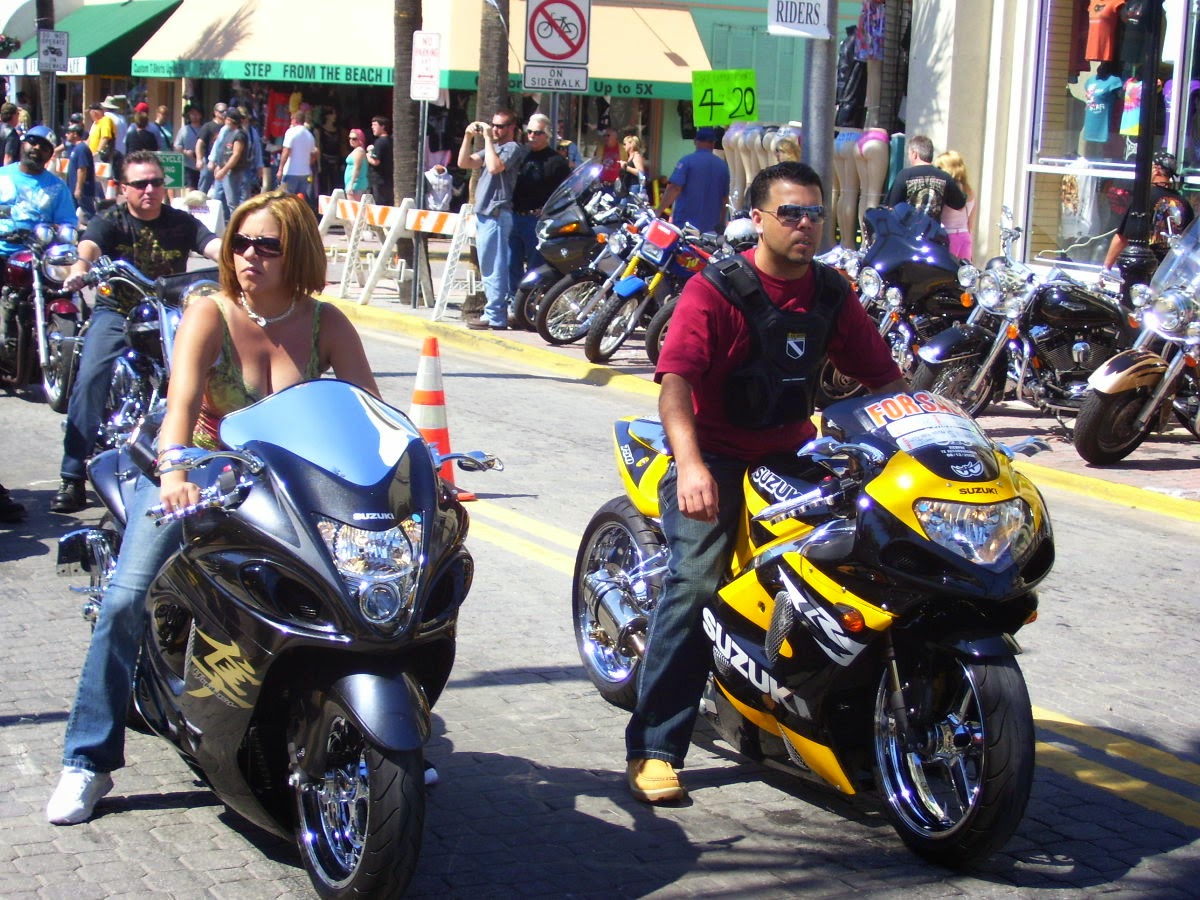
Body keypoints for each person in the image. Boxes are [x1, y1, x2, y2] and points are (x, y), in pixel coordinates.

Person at [46, 190, 379, 825]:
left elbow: (370, 413)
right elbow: (180, 408)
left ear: (297, 252)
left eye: (267, 246)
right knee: (124, 600)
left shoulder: (324, 323)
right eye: (240, 243)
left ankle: (381, 741)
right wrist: (174, 471)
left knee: (356, 592)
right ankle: (86, 760)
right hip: (202, 469)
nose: (249, 255)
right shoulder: (210, 312)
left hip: (290, 481)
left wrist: (413, 469)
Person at [624, 161, 906, 804]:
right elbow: (676, 388)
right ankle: (655, 747)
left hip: (793, 451)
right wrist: (691, 466)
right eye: (791, 213)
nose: (806, 225)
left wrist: (920, 435)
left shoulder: (831, 293)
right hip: (714, 453)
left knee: (866, 546)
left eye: (815, 213)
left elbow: (886, 382)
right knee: (695, 577)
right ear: (759, 219)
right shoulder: (715, 290)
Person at [50, 151, 223, 514]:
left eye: (156, 183)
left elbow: (212, 245)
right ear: (123, 188)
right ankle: (71, 476)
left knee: (215, 373)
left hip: (171, 312)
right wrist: (81, 267)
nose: (149, 190)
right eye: (141, 184)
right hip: (117, 310)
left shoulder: (180, 222)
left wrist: (242, 259)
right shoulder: (111, 220)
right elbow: (90, 245)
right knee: (91, 376)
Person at [457, 108, 526, 330]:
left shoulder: (512, 148)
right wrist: (468, 137)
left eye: (500, 126)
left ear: (511, 128)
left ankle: (496, 316)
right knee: (488, 265)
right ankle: (493, 312)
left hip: (497, 214)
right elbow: (465, 163)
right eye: (493, 125)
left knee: (495, 267)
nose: (495, 130)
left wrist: (486, 138)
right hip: (484, 213)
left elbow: (495, 168)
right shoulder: (492, 148)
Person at [508, 113, 571, 298]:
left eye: (537, 133)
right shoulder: (519, 154)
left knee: (536, 269)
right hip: (513, 216)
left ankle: (529, 304)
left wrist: (548, 210)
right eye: (529, 132)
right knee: (511, 263)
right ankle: (513, 303)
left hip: (536, 222)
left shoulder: (557, 162)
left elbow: (566, 193)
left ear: (547, 135)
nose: (532, 136)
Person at [1103, 150, 1195, 270]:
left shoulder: (1144, 198)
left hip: (1145, 269)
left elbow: (1122, 238)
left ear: (1155, 170)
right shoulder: (1184, 203)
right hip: (1169, 272)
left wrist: (1106, 268)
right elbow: (1189, 243)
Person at [0, 126, 76, 258]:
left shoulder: (58, 187)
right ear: (23, 144)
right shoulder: (3, 175)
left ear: (50, 155)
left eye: (44, 147)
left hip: (34, 257)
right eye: (33, 142)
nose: (37, 148)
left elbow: (67, 225)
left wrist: (50, 230)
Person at [657, 126, 731, 234]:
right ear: (713, 143)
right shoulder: (723, 167)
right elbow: (725, 199)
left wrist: (659, 211)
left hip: (685, 227)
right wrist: (721, 223)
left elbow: (674, 188)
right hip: (710, 231)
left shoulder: (686, 162)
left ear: (695, 141)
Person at [883, 134, 966, 219]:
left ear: (914, 154)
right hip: (932, 230)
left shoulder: (904, 175)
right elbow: (959, 204)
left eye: (909, 154)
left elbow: (891, 206)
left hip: (907, 230)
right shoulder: (945, 177)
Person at [934, 149, 977, 261]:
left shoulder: (946, 190)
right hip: (965, 237)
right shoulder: (970, 191)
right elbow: (970, 224)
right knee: (963, 274)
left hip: (948, 236)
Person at [213, 108, 250, 217]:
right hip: (224, 171)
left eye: (226, 118)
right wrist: (218, 166)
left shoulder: (240, 134)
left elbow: (236, 154)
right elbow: (223, 151)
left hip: (233, 172)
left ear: (229, 120)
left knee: (232, 203)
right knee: (218, 200)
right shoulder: (228, 132)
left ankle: (235, 228)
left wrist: (224, 170)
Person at [277, 110, 317, 202]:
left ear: (295, 120)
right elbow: (314, 154)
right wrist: (306, 163)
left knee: (286, 200)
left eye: (291, 119)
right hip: (305, 173)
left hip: (291, 172)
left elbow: (286, 151)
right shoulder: (310, 135)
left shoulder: (291, 132)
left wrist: (280, 169)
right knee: (300, 201)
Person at [64, 123, 96, 225]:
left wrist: (78, 188)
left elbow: (82, 169)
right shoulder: (75, 149)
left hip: (84, 190)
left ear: (74, 134)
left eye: (68, 132)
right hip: (73, 188)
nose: (66, 135)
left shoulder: (82, 149)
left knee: (88, 215)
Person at [195, 102, 228, 194]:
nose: (224, 114)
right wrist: (199, 159)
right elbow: (199, 143)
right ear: (216, 112)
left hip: (223, 162)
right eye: (222, 111)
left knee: (221, 191)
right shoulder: (208, 126)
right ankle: (199, 206)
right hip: (208, 160)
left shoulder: (228, 127)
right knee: (203, 188)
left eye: (226, 111)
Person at [174, 104, 204, 189]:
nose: (194, 116)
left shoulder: (205, 129)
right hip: (188, 166)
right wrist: (185, 152)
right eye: (192, 114)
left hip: (202, 166)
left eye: (196, 114)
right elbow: (177, 146)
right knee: (190, 189)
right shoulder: (184, 130)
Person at [366, 115, 393, 203]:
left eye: (375, 125)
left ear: (383, 126)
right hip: (387, 180)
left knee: (378, 205)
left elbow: (375, 161)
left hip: (378, 180)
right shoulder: (390, 140)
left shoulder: (380, 142)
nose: (372, 127)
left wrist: (367, 155)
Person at [86, 102, 116, 167]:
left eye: (90, 113)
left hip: (100, 158)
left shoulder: (105, 120)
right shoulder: (96, 123)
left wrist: (98, 153)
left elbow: (105, 137)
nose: (90, 115)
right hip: (92, 157)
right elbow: (89, 139)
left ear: (93, 112)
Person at [344, 127, 369, 200]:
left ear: (360, 139)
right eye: (350, 138)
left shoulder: (359, 151)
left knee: (354, 208)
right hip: (352, 184)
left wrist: (351, 185)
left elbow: (357, 168)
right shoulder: (356, 150)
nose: (351, 140)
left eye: (354, 138)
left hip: (356, 185)